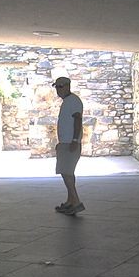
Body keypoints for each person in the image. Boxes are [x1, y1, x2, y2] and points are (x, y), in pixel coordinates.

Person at [52, 76, 85, 215]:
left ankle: (76, 202)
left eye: (60, 87)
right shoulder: (67, 101)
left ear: (67, 86)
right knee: (67, 173)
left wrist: (75, 141)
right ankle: (70, 201)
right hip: (65, 142)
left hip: (70, 143)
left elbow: (78, 120)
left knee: (66, 172)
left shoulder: (73, 101)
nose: (57, 90)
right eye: (56, 87)